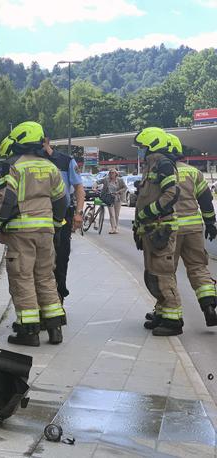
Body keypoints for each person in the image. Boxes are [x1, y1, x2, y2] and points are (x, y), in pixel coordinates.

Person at [0, 122, 68, 346]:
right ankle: (54, 328)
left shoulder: (16, 167)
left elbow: (6, 203)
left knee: (23, 278)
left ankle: (29, 332)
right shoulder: (51, 167)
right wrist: (56, 225)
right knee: (46, 277)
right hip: (45, 231)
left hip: (21, 233)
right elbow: (61, 201)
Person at [145, 134, 217, 328]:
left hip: (170, 230)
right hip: (194, 228)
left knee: (165, 272)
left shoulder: (161, 171)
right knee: (198, 268)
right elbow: (206, 201)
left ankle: (166, 313)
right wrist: (211, 223)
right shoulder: (194, 172)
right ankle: (209, 305)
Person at [132, 127, 182, 336]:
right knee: (152, 275)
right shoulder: (150, 165)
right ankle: (162, 312)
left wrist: (148, 213)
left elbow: (172, 193)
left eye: (142, 147)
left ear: (151, 146)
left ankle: (173, 321)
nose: (140, 151)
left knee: (163, 274)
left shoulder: (163, 165)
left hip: (161, 228)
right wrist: (138, 224)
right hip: (150, 230)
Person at [43, 138, 84, 302]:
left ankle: (59, 294)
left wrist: (79, 213)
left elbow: (79, 188)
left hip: (62, 216)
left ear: (47, 142)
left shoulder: (65, 161)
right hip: (40, 215)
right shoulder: (33, 161)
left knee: (61, 256)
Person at [100, 168, 127, 234]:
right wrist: (94, 187)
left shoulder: (120, 180)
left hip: (118, 198)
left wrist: (118, 192)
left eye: (113, 173)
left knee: (116, 214)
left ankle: (115, 228)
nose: (111, 174)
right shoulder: (106, 179)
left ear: (116, 174)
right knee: (112, 214)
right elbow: (98, 182)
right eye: (110, 173)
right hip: (109, 198)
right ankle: (112, 228)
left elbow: (125, 188)